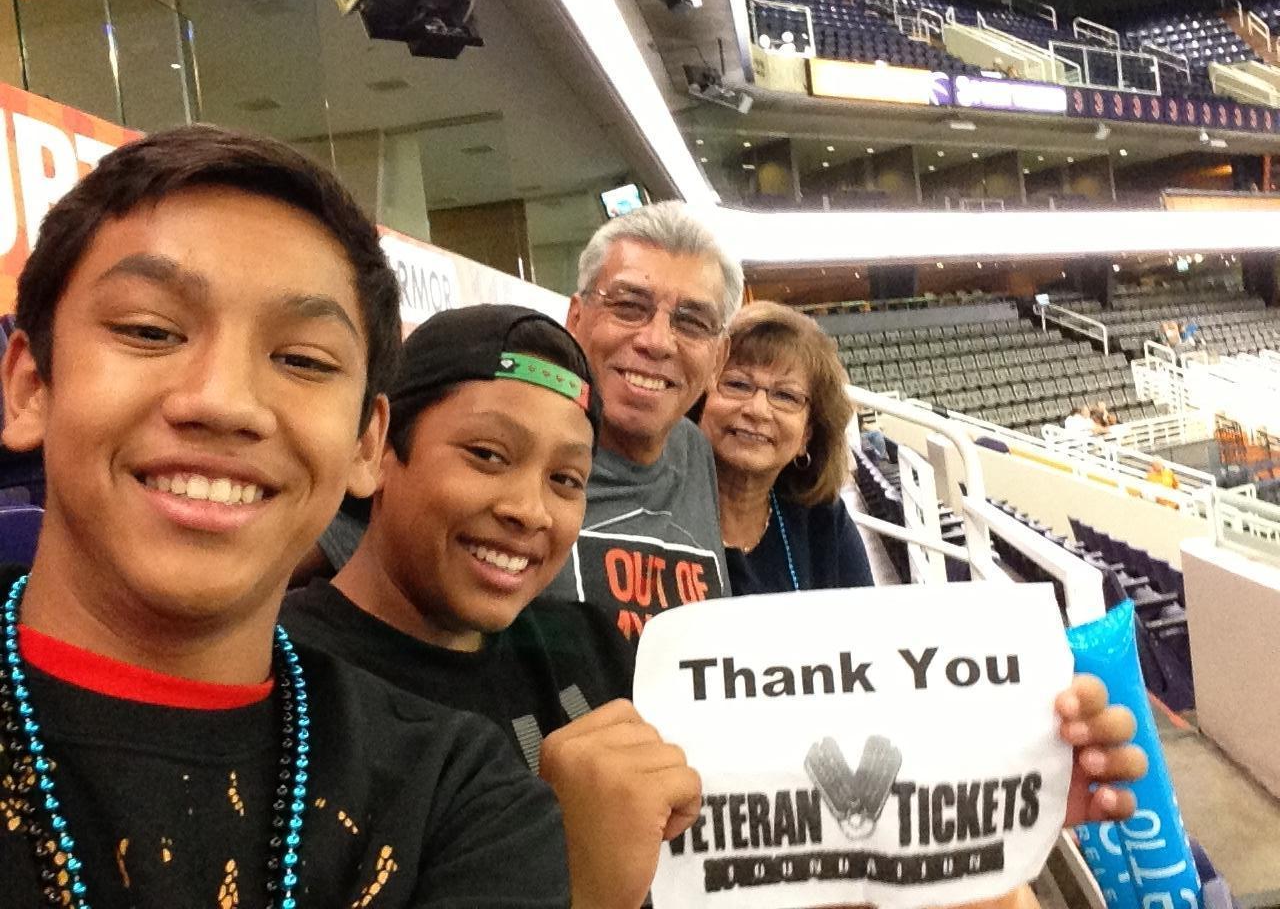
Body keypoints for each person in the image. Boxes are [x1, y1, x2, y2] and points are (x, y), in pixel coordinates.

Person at [0, 127, 569, 907]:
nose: (226, 403)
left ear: (367, 443)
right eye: (149, 331)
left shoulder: (455, 798)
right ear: (32, 385)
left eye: (302, 360)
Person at [282, 304, 702, 909]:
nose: (529, 510)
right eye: (487, 455)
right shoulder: (282, 682)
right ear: (377, 452)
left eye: (566, 480)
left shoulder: (597, 651)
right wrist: (580, 888)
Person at [543, 201, 744, 645]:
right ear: (575, 321)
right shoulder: (519, 456)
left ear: (719, 359)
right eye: (629, 306)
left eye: (691, 322)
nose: (656, 342)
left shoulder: (694, 451)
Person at [697, 301, 873, 595]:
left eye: (786, 396)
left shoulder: (823, 522)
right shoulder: (663, 511)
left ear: (807, 434)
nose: (758, 410)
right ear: (699, 399)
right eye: (738, 384)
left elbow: (867, 632)